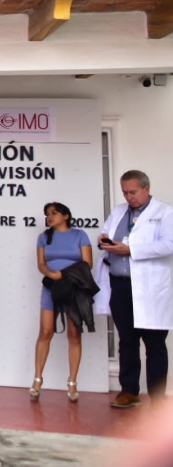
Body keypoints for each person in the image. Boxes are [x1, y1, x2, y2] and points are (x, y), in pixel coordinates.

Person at [96, 170, 173, 408]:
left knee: (154, 344)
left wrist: (131, 250)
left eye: (134, 192)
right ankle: (129, 391)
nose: (129, 197)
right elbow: (106, 232)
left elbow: (169, 245)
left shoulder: (165, 213)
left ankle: (158, 399)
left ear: (147, 188)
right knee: (127, 341)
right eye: (125, 193)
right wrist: (104, 240)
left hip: (149, 289)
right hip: (120, 285)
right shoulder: (119, 211)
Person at [30, 202, 93, 402]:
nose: (50, 217)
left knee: (74, 334)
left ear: (66, 216)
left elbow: (87, 263)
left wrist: (65, 275)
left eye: (54, 213)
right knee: (45, 331)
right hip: (52, 287)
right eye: (47, 214)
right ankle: (37, 379)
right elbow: (41, 264)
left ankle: (72, 381)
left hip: (74, 287)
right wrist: (51, 274)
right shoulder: (43, 237)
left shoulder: (80, 235)